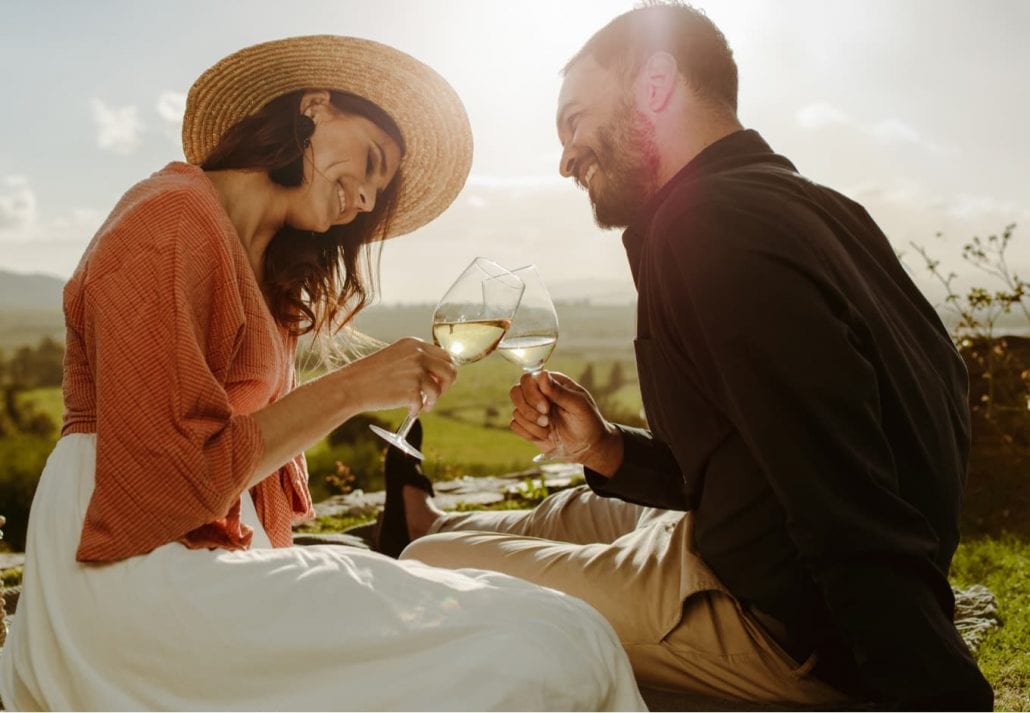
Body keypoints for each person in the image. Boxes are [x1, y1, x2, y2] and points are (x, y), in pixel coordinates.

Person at [0, 35, 646, 711]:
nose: (366, 197)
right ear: (314, 107)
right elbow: (168, 480)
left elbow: (236, 466)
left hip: (210, 549)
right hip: (126, 565)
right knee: (535, 653)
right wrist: (355, 387)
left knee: (563, 629)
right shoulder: (169, 219)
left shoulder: (268, 271)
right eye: (370, 161)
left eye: (380, 187)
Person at [381, 4, 995, 709]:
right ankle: (423, 516)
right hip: (742, 543)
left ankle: (422, 537)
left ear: (655, 85)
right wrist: (607, 446)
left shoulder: (708, 228)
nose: (566, 155)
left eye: (576, 120)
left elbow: (843, 496)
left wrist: (934, 689)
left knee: (425, 568)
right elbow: (761, 455)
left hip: (778, 625)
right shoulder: (816, 208)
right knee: (567, 512)